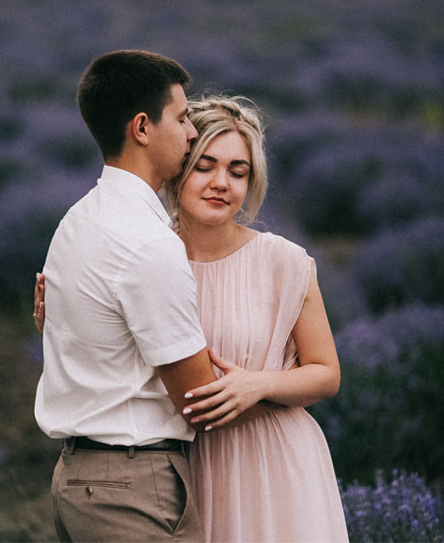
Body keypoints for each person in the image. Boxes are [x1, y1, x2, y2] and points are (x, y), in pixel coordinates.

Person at [37, 96, 348, 541]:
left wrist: (260, 383)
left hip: (271, 459)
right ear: (180, 167)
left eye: (238, 172)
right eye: (205, 166)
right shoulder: (143, 256)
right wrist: (68, 318)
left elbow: (327, 373)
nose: (221, 183)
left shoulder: (284, 261)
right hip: (180, 463)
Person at [33, 50, 260, 542]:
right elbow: (197, 401)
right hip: (130, 489)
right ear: (141, 127)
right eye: (181, 119)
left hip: (81, 479)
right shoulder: (148, 243)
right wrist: (269, 388)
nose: (192, 132)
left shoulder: (78, 220)